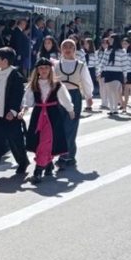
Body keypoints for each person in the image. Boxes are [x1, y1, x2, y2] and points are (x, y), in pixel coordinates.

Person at [22, 59, 74, 184]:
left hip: (52, 116)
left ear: (50, 70)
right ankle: (49, 164)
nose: (43, 70)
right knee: (40, 142)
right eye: (41, 68)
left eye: (46, 68)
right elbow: (27, 100)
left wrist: (70, 110)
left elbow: (65, 99)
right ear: (37, 71)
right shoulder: (33, 85)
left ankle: (38, 171)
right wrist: (23, 111)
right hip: (38, 115)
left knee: (46, 141)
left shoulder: (57, 85)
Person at [0, 47, 29, 181]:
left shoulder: (16, 75)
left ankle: (23, 162)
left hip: (10, 115)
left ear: (5, 61)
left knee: (15, 141)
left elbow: (18, 95)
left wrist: (13, 111)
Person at [54, 39, 94, 169]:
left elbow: (86, 81)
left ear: (75, 49)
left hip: (74, 96)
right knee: (59, 126)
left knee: (70, 126)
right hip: (58, 95)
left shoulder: (81, 65)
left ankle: (66, 156)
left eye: (70, 46)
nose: (67, 49)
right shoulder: (56, 65)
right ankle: (66, 154)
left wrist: (89, 96)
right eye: (64, 46)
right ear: (61, 49)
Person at [97, 34, 131, 116]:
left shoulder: (122, 51)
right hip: (108, 73)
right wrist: (99, 72)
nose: (109, 41)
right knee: (109, 91)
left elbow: (125, 64)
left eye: (111, 39)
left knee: (115, 91)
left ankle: (115, 108)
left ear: (115, 40)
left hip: (117, 74)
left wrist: (125, 76)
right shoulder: (107, 51)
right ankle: (112, 109)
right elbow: (103, 62)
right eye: (109, 40)